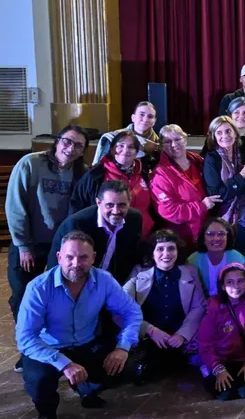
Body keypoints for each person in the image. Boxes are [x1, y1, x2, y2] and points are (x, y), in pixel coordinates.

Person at [17, 232, 143, 419]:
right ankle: (47, 413)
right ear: (59, 257)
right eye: (69, 257)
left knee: (123, 367)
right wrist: (64, 363)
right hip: (48, 348)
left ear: (93, 257)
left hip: (86, 343)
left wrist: (122, 347)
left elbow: (132, 312)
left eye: (84, 257)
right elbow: (25, 338)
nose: (76, 263)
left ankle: (86, 388)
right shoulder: (38, 288)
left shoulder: (104, 280)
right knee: (39, 381)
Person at [7, 125, 88, 323]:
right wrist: (23, 246)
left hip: (59, 246)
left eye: (78, 146)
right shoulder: (30, 163)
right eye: (67, 141)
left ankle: (50, 338)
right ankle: (27, 341)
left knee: (54, 293)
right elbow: (15, 206)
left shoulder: (81, 172)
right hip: (29, 244)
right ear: (57, 141)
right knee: (23, 293)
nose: (71, 148)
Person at [122, 230, 206, 384]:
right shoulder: (138, 273)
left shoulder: (190, 272)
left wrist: (182, 334)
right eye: (160, 249)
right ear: (152, 253)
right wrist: (150, 330)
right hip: (149, 338)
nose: (166, 253)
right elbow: (123, 308)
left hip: (180, 338)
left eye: (171, 248)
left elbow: (199, 307)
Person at [48, 180, 144, 284]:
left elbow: (130, 257)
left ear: (129, 202)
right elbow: (61, 267)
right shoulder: (77, 224)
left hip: (112, 285)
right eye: (109, 205)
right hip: (76, 283)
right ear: (98, 203)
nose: (116, 211)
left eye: (122, 205)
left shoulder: (135, 219)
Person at [196, 262, 245, 400]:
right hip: (221, 361)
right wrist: (218, 369)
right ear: (222, 286)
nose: (235, 286)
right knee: (225, 394)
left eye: (240, 281)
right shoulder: (215, 307)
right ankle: (207, 372)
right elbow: (205, 343)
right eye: (230, 282)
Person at [71, 129, 155, 237]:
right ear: (112, 149)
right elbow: (78, 206)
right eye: (120, 146)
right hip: (104, 237)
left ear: (137, 152)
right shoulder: (96, 175)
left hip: (141, 237)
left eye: (131, 147)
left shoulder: (143, 174)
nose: (125, 150)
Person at [151, 125, 219, 248]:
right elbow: (168, 211)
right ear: (161, 146)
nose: (174, 144)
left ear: (185, 139)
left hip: (206, 230)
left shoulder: (197, 160)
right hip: (181, 238)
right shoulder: (160, 174)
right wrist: (201, 206)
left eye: (178, 139)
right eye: (167, 142)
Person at [202, 116, 245, 254]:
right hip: (221, 217)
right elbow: (219, 195)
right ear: (213, 137)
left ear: (235, 133)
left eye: (228, 131)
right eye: (219, 132)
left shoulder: (244, 155)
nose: (224, 136)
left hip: (244, 215)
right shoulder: (212, 159)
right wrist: (241, 176)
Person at [187, 218, 245, 297]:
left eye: (221, 234)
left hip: (229, 303)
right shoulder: (193, 260)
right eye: (210, 234)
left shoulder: (238, 258)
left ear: (227, 237)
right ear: (203, 238)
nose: (216, 238)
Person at [92, 101, 160, 166]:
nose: (145, 119)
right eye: (141, 115)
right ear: (133, 118)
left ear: (154, 121)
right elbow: (98, 168)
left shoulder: (160, 144)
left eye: (150, 116)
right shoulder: (112, 138)